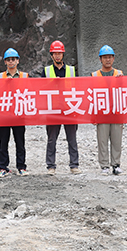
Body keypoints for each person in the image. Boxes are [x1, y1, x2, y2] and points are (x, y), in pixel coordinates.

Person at [41, 40, 80, 175]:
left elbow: (78, 88)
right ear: (51, 55)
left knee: (72, 139)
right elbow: (40, 89)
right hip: (53, 109)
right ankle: (51, 166)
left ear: (63, 54)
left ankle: (74, 165)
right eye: (55, 53)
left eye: (59, 53)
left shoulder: (71, 70)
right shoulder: (46, 71)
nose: (57, 56)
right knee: (52, 139)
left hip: (69, 108)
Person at [0, 48, 29, 177]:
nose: (11, 61)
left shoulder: (25, 76)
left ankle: (21, 166)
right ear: (5, 62)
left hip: (19, 113)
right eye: (8, 59)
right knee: (3, 142)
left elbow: (30, 92)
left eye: (13, 59)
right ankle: (2, 167)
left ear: (18, 61)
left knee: (20, 142)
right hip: (4, 113)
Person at [91, 45, 124, 175]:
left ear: (113, 58)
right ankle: (104, 165)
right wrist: (93, 115)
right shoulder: (94, 75)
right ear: (100, 59)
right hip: (102, 112)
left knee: (116, 140)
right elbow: (91, 96)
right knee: (102, 140)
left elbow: (125, 93)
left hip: (116, 112)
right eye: (105, 57)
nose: (108, 60)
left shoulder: (119, 74)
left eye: (110, 57)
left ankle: (116, 165)